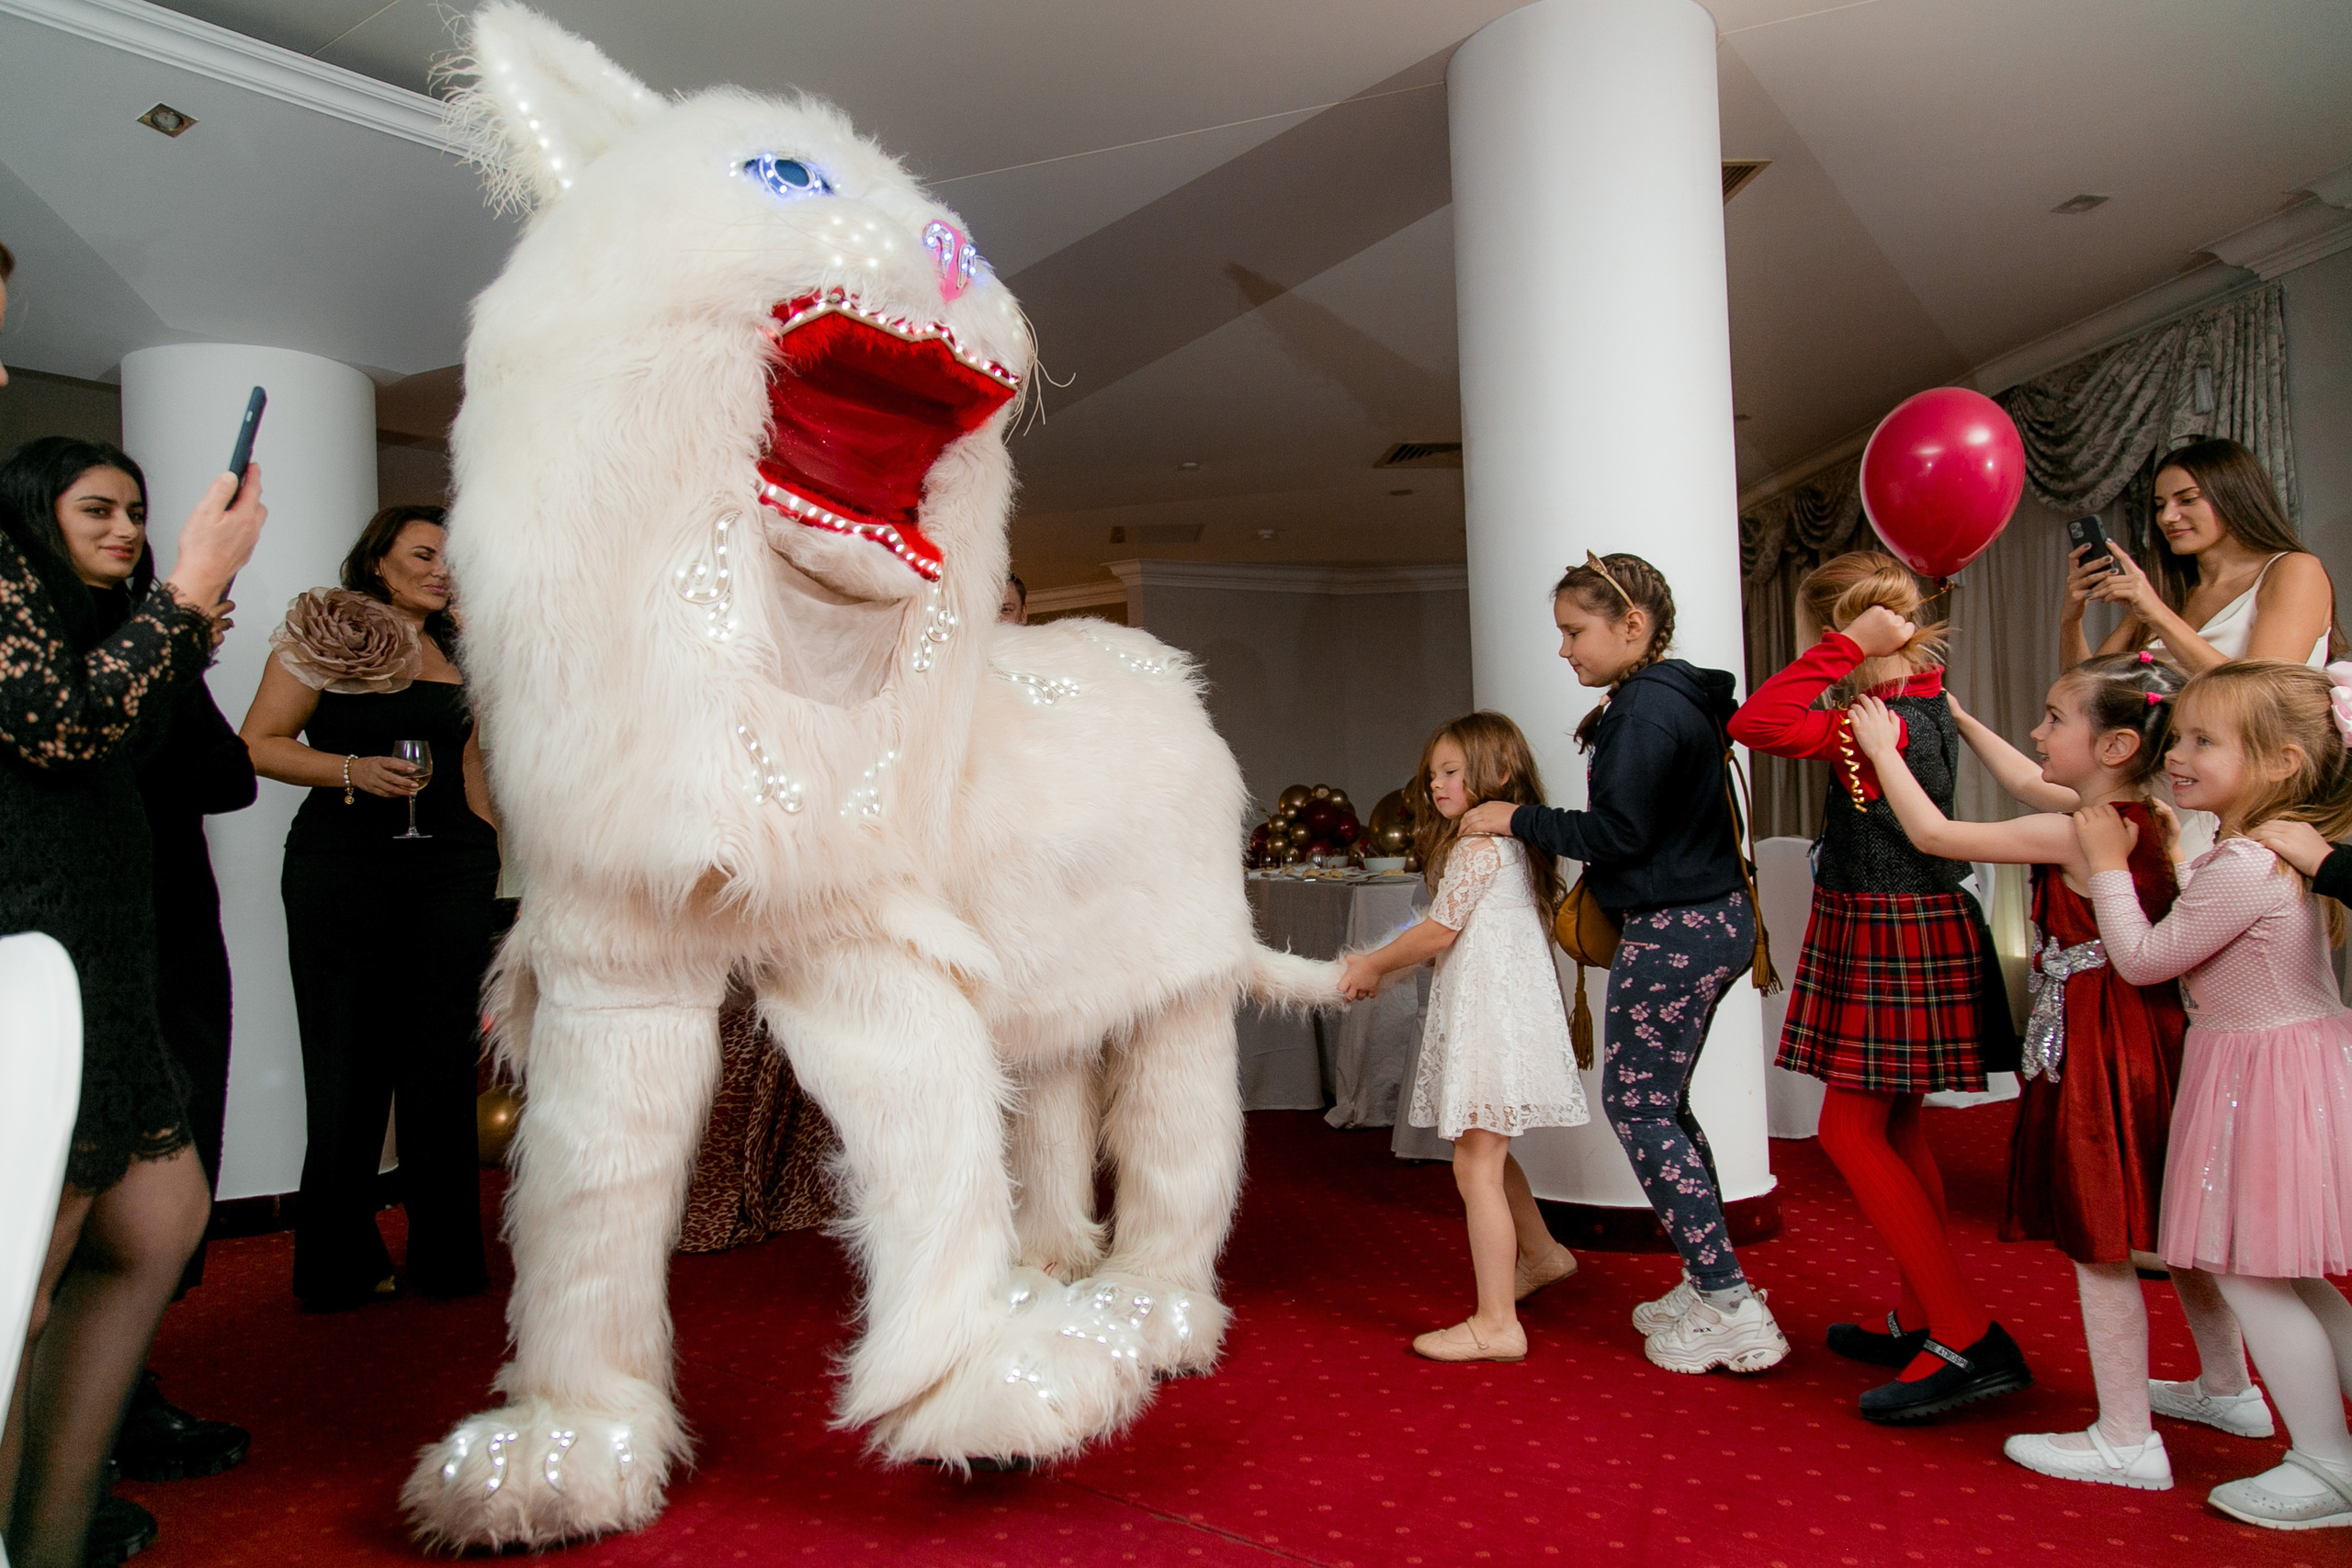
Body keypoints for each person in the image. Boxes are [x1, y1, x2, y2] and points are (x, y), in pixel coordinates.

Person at [1849, 652, 2267, 1489]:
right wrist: (1960, 719)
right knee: (2174, 1225)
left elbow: (1935, 836)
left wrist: (1882, 749)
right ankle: (2230, 1388)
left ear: (2114, 745)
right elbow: (2027, 780)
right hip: (2155, 1034)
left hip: (2103, 1037)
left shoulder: (2077, 830)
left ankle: (2126, 1438)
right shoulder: (2141, 811)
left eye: (2052, 718)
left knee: (2098, 1235)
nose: (2037, 733)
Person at [0, 346, 267, 1567]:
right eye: (97, 509)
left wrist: (180, 626)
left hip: (112, 948)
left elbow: (181, 761)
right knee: (27, 1279)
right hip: (34, 946)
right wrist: (189, 590)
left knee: (159, 1221)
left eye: (137, 513)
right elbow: (61, 730)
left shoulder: (104, 621)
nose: (126, 530)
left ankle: (52, 1531)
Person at [1459, 551, 1789, 1375]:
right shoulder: (1673, 696)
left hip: (1676, 928)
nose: (1564, 648)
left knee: (1640, 1107)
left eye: (1576, 631)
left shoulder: (1644, 708)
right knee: (1662, 1105)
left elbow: (1619, 835)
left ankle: (1728, 1303)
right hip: (1713, 921)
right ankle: (1713, 1278)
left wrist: (1513, 816)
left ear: (1631, 625)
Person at [1729, 550, 2029, 1424]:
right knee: (1896, 1125)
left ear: (1842, 629)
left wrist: (1840, 646)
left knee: (1849, 1130)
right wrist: (1856, 650)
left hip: (1895, 924)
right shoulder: (1916, 695)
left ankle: (1966, 1333)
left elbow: (1755, 722)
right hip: (1894, 917)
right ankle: (1924, 1314)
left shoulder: (1876, 717)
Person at [2075, 660, 2352, 1529]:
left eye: (2204, 740)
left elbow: (2143, 960)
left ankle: (2328, 1463)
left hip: (2262, 1073)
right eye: (2180, 735)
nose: (2177, 754)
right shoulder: (2278, 845)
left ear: (2280, 762)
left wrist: (2107, 868)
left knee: (2248, 1271)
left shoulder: (2245, 862)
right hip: (2288, 1062)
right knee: (2288, 1271)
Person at [239, 505, 502, 1310]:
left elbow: (474, 763)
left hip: (451, 870)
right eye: (423, 554)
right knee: (347, 1067)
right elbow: (257, 743)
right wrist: (351, 769)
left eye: (453, 558)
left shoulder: (463, 646)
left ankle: (447, 1259)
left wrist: (487, 849)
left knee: (442, 1067)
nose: (441, 570)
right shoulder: (323, 635)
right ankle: (338, 1264)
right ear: (377, 561)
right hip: (342, 870)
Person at [1337, 712, 1587, 1363]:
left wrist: (1371, 965)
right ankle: (1542, 1253)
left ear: (1498, 773)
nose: (1437, 785)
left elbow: (1438, 932)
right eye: (1432, 775)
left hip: (1491, 1018)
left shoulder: (1479, 848)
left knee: (1475, 1164)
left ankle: (1497, 1323)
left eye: (1451, 772)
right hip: (1502, 1010)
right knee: (1485, 1148)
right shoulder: (1509, 841)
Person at [2061, 436, 2338, 673]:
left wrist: (2156, 613)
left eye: (2188, 500)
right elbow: (2085, 690)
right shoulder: (2168, 590)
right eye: (2160, 505)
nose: (2167, 517)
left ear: (2235, 497)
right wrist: (2071, 621)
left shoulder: (2295, 571)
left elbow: (2260, 690)